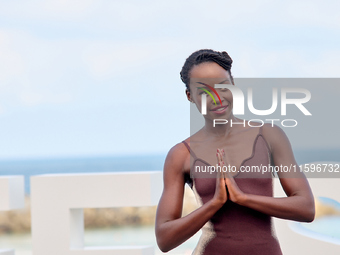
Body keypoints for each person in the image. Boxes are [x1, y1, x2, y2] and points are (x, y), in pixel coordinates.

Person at [155, 49, 315, 255]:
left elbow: (306, 207)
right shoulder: (181, 155)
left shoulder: (269, 136)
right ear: (190, 96)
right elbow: (164, 239)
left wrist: (243, 198)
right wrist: (215, 203)